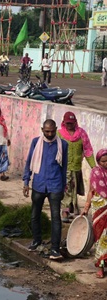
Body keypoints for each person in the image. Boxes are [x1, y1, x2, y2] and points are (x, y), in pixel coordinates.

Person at [23, 119, 68, 260]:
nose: (49, 134)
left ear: (56, 130)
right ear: (42, 129)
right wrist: (26, 182)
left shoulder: (63, 145)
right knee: (35, 214)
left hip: (55, 185)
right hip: (38, 184)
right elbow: (29, 161)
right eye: (47, 131)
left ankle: (55, 249)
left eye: (52, 131)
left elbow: (64, 167)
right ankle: (36, 241)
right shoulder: (36, 142)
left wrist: (62, 187)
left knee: (56, 217)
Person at [57, 111, 96, 222]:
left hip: (77, 168)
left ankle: (73, 208)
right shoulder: (59, 134)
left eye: (72, 123)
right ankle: (65, 211)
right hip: (64, 168)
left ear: (75, 123)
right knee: (66, 189)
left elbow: (88, 150)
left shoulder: (81, 134)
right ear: (64, 122)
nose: (70, 125)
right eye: (68, 123)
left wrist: (94, 167)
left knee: (74, 190)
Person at [81, 149, 107, 279]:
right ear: (98, 161)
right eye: (103, 161)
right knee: (100, 239)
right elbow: (91, 191)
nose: (106, 163)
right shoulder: (96, 172)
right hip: (99, 209)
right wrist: (86, 207)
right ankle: (100, 267)